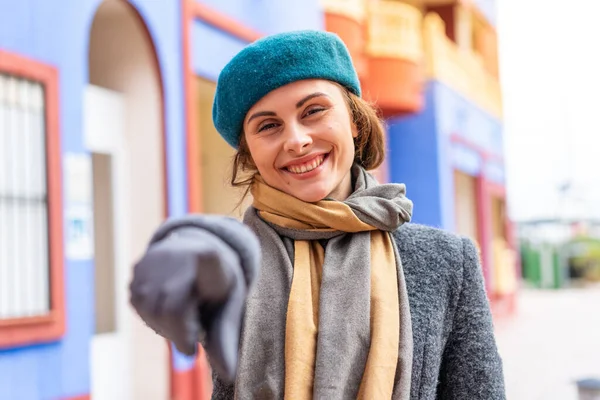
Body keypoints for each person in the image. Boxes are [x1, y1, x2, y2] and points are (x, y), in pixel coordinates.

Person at [129, 30, 506, 400]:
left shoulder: (446, 261)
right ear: (249, 155)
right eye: (268, 126)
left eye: (314, 111)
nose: (296, 140)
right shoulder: (232, 260)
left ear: (355, 122)